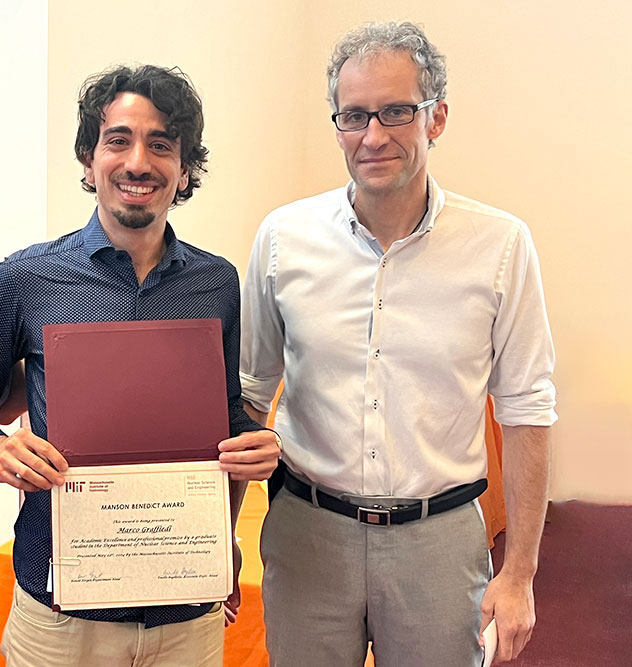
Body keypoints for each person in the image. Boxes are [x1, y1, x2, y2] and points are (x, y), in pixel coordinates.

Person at [240, 21, 556, 667]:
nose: (373, 135)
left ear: (436, 118)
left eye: (395, 111)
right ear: (337, 125)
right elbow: (248, 396)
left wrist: (520, 572)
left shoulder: (500, 246)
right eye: (354, 115)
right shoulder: (282, 239)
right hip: (307, 532)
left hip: (439, 542)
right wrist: (218, 537)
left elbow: (527, 410)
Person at [0, 64, 280, 667]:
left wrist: (253, 443)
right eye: (118, 140)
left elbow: (222, 411)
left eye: (162, 145)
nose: (138, 162)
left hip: (186, 611)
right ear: (88, 158)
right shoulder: (27, 279)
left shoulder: (217, 284)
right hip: (59, 613)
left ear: (184, 169)